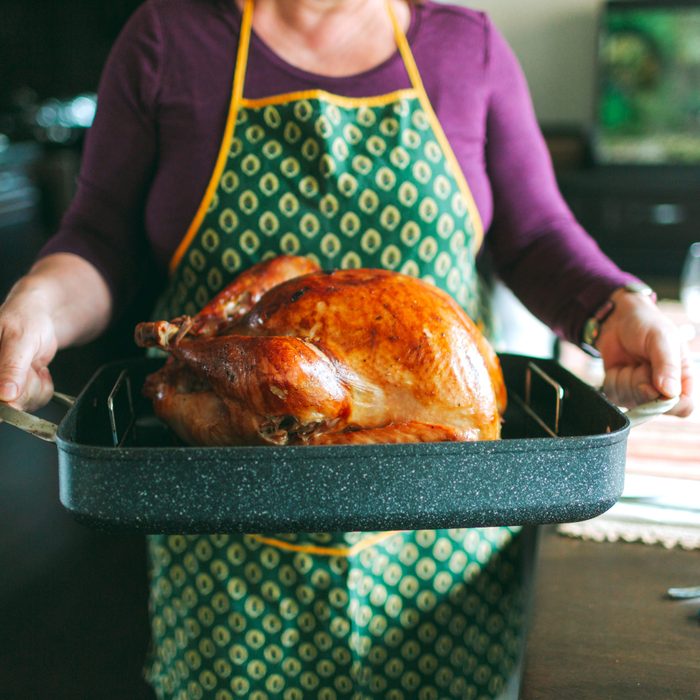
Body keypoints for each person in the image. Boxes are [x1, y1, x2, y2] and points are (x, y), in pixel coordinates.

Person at [0, 0, 693, 697]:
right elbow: (101, 239)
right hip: (228, 539)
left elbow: (537, 235)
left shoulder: (464, 44)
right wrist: (38, 306)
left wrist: (617, 309)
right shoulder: (168, 38)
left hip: (441, 538)